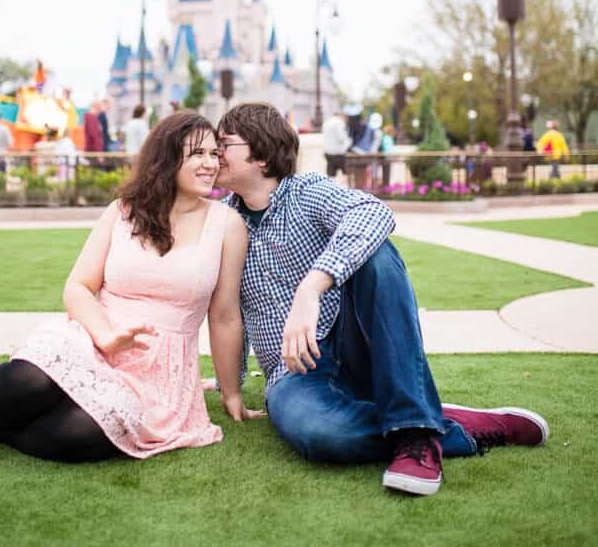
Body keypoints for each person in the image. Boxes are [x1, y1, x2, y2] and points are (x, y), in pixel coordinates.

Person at [214, 102, 549, 497]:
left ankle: (413, 428)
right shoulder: (221, 221)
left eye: (224, 143)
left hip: (353, 346)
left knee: (377, 253)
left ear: (263, 156)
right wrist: (230, 388)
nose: (214, 152)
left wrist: (311, 287)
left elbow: (374, 213)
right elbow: (226, 315)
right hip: (293, 372)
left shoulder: (307, 192)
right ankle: (431, 425)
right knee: (323, 436)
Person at [0, 111, 261, 462]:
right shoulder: (123, 211)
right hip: (94, 337)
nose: (209, 164)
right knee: (27, 378)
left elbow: (224, 316)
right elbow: (78, 287)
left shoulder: (227, 224)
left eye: (213, 154)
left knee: (79, 434)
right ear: (167, 159)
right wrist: (106, 336)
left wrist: (231, 393)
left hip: (159, 371)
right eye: (196, 154)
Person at [322, 110, 351, 179]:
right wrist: (350, 142)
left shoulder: (326, 122)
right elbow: (342, 137)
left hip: (328, 152)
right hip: (339, 153)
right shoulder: (339, 122)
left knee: (331, 177)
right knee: (347, 175)